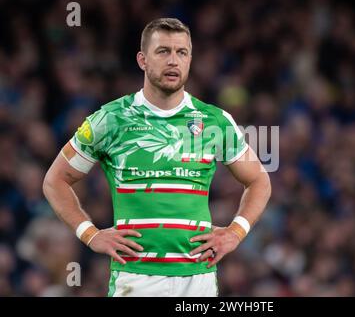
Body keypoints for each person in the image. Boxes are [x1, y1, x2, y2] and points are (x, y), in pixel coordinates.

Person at [42, 18, 271, 297]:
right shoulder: (110, 120)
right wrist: (90, 235)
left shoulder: (215, 122)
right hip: (136, 280)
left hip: (197, 279)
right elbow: (55, 181)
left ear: (189, 59)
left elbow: (259, 179)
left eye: (181, 52)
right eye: (163, 51)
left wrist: (235, 233)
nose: (173, 61)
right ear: (142, 60)